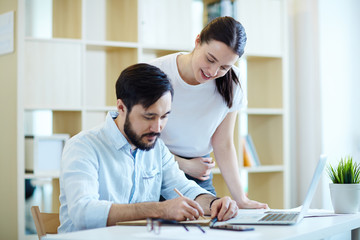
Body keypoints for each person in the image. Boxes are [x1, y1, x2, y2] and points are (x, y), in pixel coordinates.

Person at [58, 63, 238, 233]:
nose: (158, 127)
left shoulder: (156, 148)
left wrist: (214, 203)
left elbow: (184, 188)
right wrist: (159, 210)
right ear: (121, 107)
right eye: (149, 117)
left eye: (164, 116)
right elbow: (83, 213)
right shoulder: (83, 146)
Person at [149, 16, 268, 209]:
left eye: (224, 67)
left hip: (199, 176)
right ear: (197, 41)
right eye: (210, 59)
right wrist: (183, 164)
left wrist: (241, 199)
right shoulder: (157, 72)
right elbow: (137, 136)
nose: (213, 72)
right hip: (155, 169)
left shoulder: (234, 82)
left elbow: (223, 143)